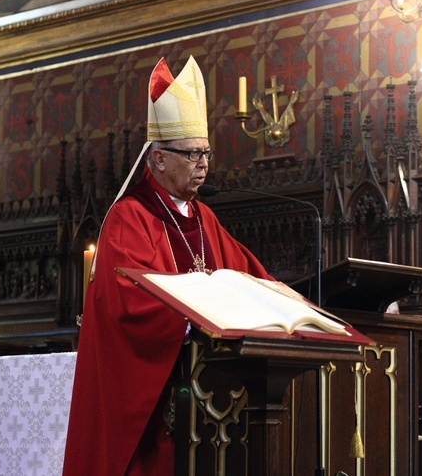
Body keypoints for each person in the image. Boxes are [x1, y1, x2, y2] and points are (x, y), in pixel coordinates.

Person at [62, 55, 273, 476]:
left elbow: (251, 277)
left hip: (215, 395)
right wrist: (188, 319)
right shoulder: (130, 217)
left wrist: (294, 305)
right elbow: (127, 302)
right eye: (192, 154)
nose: (203, 164)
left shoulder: (204, 218)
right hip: (161, 406)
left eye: (206, 153)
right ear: (158, 159)